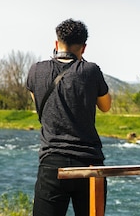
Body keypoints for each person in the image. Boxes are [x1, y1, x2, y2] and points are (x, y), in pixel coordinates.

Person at [26, 18, 111, 216]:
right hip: (89, 164)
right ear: (84, 47)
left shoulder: (36, 70)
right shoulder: (91, 71)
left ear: (56, 44)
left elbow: (37, 101)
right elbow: (106, 106)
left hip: (52, 163)